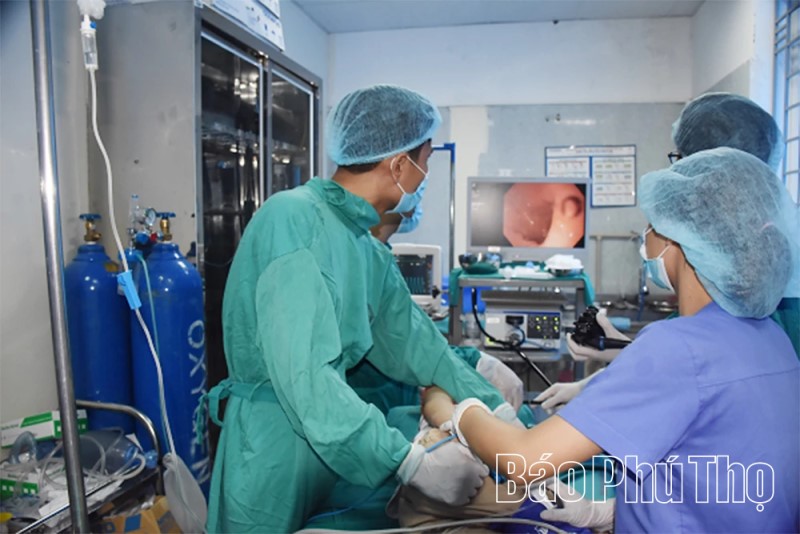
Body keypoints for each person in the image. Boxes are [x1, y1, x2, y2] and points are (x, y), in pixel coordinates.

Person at [423, 148, 800, 532]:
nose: (646, 237)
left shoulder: (678, 347)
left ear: (682, 240)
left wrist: (457, 411)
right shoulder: (773, 340)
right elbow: (717, 480)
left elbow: (526, 461)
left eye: (652, 224)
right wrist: (611, 512)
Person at [206, 85, 515, 533]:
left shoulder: (364, 247)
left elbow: (419, 348)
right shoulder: (292, 219)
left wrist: (497, 412)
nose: (425, 176)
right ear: (399, 165)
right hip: (274, 446)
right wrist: (408, 460)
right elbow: (306, 378)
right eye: (426, 161)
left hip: (330, 444)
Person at [537, 92, 799, 413]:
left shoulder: (752, 291)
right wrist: (611, 359)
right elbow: (693, 365)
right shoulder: (749, 268)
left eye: (681, 159)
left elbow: (706, 372)